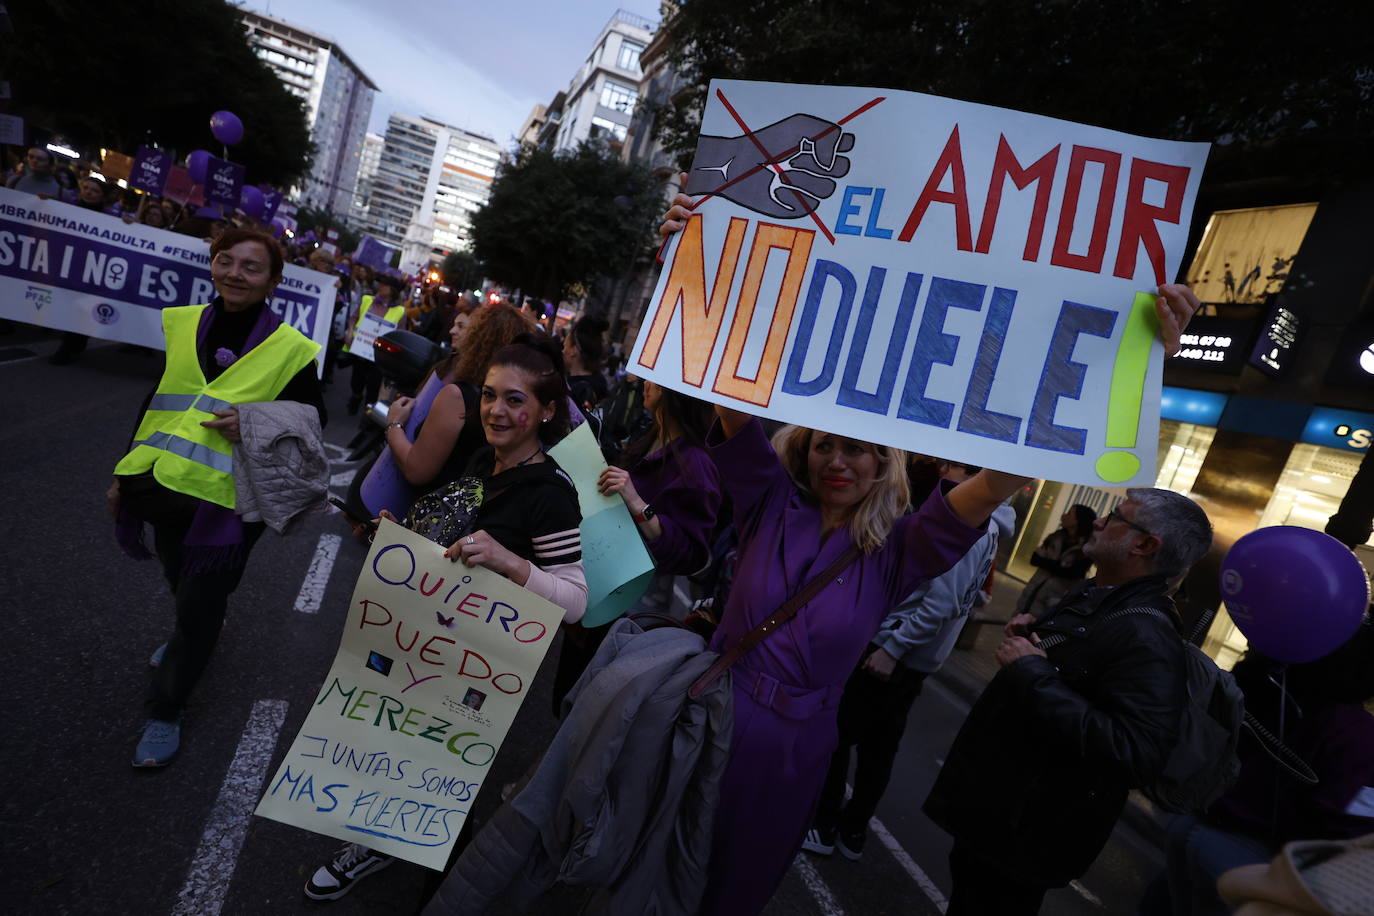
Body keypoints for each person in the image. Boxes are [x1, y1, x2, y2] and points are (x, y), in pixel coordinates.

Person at [305, 333, 586, 902]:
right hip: (423, 640)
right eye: (488, 395)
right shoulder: (487, 458)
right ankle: (385, 842)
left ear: (547, 411)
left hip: (475, 666)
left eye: (514, 400)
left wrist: (511, 563)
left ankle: (447, 890)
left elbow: (577, 600)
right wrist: (404, 541)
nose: (495, 410)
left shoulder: (552, 494)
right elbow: (452, 535)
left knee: (441, 779)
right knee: (397, 748)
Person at [924, 489, 1214, 915]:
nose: (1099, 520)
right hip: (1003, 812)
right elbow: (1076, 671)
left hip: (1029, 830)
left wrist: (1033, 672)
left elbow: (1136, 750)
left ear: (1144, 545)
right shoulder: (1100, 594)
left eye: (1116, 516)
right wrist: (1035, 637)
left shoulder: (1147, 636)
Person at [107, 228, 324, 768]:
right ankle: (189, 631)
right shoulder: (185, 324)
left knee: (202, 606)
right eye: (225, 261)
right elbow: (158, 401)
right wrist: (122, 475)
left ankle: (165, 709)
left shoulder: (291, 348)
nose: (235, 273)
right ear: (212, 266)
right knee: (179, 580)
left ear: (273, 281)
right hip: (162, 484)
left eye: (251, 267)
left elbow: (310, 421)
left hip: (228, 505)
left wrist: (252, 421)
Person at [804, 459, 998, 861]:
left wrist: (892, 649)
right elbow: (973, 596)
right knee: (879, 747)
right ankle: (852, 831)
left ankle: (826, 825)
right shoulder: (986, 524)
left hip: (894, 656)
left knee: (840, 737)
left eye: (959, 470)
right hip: (911, 657)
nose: (945, 472)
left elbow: (941, 604)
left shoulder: (966, 524)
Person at [1141, 622, 1374, 915]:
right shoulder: (1356, 732)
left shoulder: (1283, 690)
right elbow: (1337, 824)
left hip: (1202, 820)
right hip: (1247, 847)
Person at [550, 381, 722, 710]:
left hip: (632, 611)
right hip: (601, 590)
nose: (646, 382)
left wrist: (639, 505)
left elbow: (692, 554)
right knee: (565, 697)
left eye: (656, 377)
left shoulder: (697, 464)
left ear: (678, 392)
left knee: (584, 709)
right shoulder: (650, 435)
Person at [353, 302, 533, 523]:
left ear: (479, 339)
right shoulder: (512, 407)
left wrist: (393, 424)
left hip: (418, 517)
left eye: (467, 328)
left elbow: (417, 470)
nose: (454, 332)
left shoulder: (458, 396)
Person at [1013, 502, 1097, 618]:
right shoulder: (1055, 537)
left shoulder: (1086, 549)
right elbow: (1034, 559)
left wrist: (1049, 563)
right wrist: (1060, 567)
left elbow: (1074, 573)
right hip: (1030, 598)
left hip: (1052, 604)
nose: (1064, 515)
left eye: (1069, 514)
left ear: (1078, 521)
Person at [344, 274, 406, 414]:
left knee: (373, 385)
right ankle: (356, 397)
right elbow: (353, 319)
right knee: (356, 380)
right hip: (360, 349)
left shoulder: (400, 311)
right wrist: (349, 332)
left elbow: (400, 335)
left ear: (393, 290)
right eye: (380, 283)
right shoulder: (367, 300)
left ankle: (368, 413)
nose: (381, 287)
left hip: (379, 356)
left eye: (385, 285)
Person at [563, 316, 610, 413]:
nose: (562, 351)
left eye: (565, 346)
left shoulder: (579, 392)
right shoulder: (598, 387)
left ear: (573, 351)